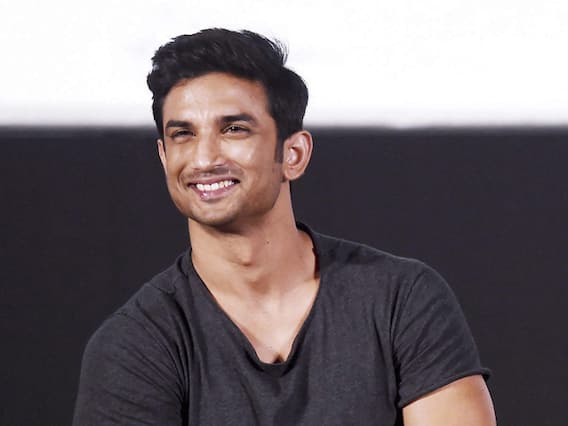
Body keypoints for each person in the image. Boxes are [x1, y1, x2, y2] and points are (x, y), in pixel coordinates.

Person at [73, 28, 496, 425]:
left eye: (234, 129)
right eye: (183, 134)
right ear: (164, 157)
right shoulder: (132, 346)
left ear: (293, 155)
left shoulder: (401, 300)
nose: (204, 159)